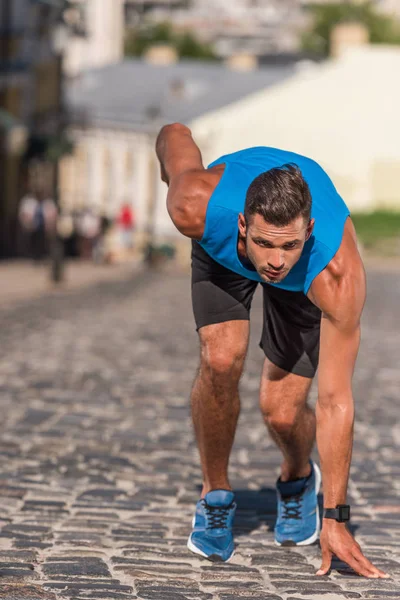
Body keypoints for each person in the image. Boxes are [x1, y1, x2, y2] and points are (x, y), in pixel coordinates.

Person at [155, 123, 390, 579]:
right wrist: (170, 179)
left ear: (310, 232)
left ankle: (298, 477)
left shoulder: (334, 273)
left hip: (305, 282)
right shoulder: (196, 206)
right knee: (220, 359)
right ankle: (215, 494)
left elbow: (335, 400)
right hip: (223, 253)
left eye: (288, 246)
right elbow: (172, 133)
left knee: (282, 411)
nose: (275, 261)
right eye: (264, 243)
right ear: (244, 225)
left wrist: (336, 517)